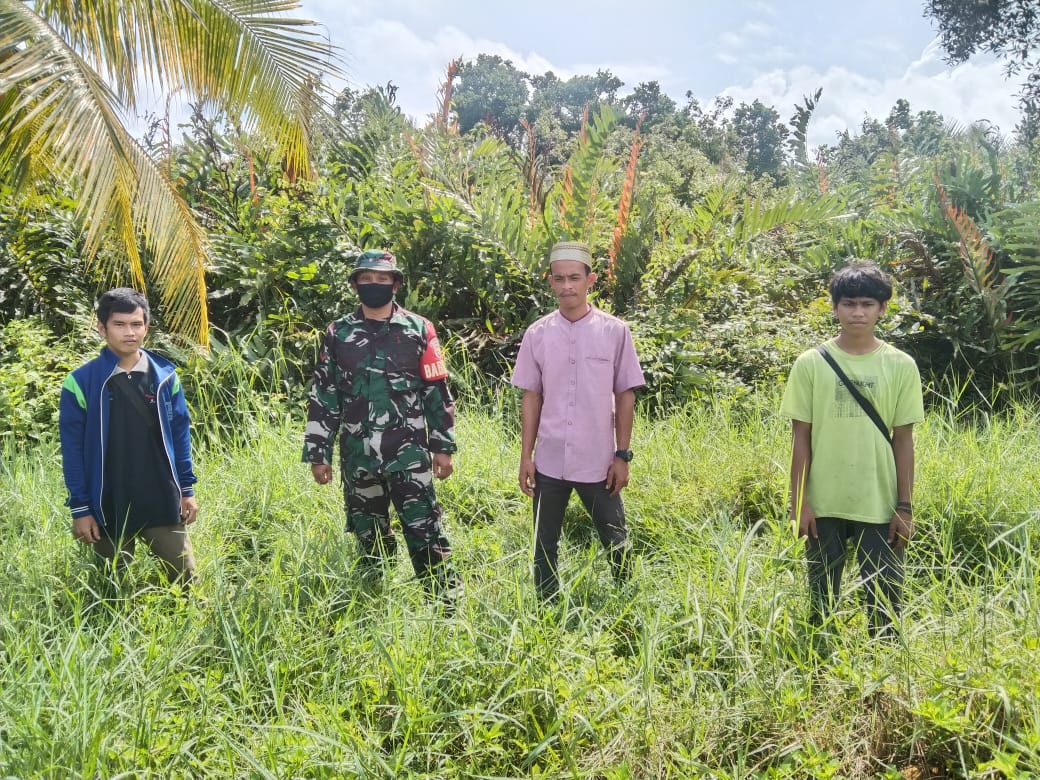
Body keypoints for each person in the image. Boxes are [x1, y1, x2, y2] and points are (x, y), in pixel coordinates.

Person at [304, 249, 461, 605]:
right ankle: (376, 603)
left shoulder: (419, 330)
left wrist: (443, 446)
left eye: (382, 279)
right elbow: (324, 394)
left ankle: (445, 606)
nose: (374, 285)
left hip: (408, 455)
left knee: (424, 529)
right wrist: (318, 452)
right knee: (368, 534)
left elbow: (437, 391)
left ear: (395, 284)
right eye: (366, 279)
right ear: (356, 284)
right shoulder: (338, 333)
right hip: (358, 455)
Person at [781, 261, 924, 638]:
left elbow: (904, 440)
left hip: (880, 504)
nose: (857, 312)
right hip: (822, 505)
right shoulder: (810, 363)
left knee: (885, 606)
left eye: (866, 304)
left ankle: (883, 683)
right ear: (834, 308)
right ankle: (819, 674)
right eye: (848, 303)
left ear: (882, 309)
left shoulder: (901, 365)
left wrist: (905, 506)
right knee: (821, 604)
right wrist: (800, 503)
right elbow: (801, 437)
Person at [511, 241, 646, 602]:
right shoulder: (537, 334)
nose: (567, 286)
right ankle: (546, 609)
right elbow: (531, 397)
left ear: (591, 280)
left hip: (598, 462)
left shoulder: (615, 332)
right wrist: (526, 456)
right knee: (544, 543)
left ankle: (628, 605)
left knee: (616, 539)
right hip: (551, 459)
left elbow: (625, 395)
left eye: (574, 277)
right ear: (550, 282)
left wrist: (622, 455)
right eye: (559, 279)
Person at [59, 287, 199, 585]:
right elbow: (72, 452)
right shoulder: (81, 383)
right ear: (102, 327)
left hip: (161, 496)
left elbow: (180, 436)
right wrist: (80, 509)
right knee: (112, 589)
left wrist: (187, 490)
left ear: (146, 327)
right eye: (119, 325)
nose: (129, 332)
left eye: (136, 324)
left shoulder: (165, 377)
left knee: (186, 582)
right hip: (107, 500)